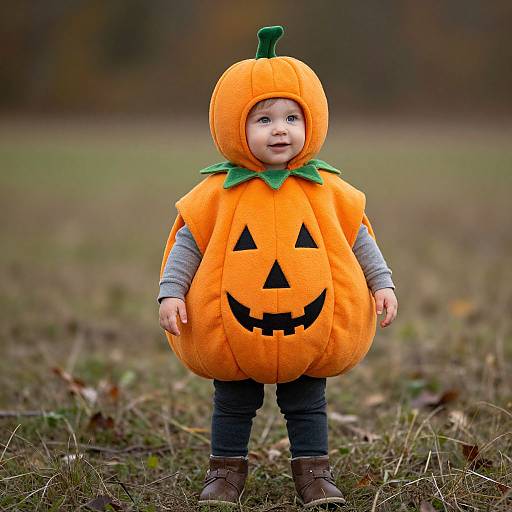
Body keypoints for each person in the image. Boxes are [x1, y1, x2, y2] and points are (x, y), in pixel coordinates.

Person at [158, 26, 397, 508]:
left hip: (309, 327)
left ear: (312, 121)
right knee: (232, 403)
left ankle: (314, 474)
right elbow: (188, 244)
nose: (280, 129)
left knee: (308, 403)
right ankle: (225, 473)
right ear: (233, 126)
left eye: (292, 116)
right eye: (262, 119)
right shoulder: (217, 194)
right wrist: (171, 291)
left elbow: (359, 238)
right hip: (233, 326)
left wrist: (382, 282)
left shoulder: (326, 190)